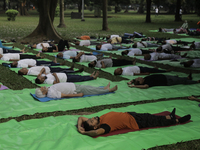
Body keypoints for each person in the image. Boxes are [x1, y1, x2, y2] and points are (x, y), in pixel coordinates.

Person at [77, 108, 191, 137]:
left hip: (131, 114)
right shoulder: (105, 126)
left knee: (150, 116)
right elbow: (96, 133)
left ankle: (168, 116)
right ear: (96, 126)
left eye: (91, 119)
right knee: (155, 121)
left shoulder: (99, 119)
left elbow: (81, 118)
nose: (92, 118)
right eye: (92, 121)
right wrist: (84, 133)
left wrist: (79, 127)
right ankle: (176, 121)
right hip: (136, 122)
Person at [35, 82, 118, 98]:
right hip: (75, 90)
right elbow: (64, 95)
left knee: (89, 87)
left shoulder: (49, 89)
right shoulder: (51, 94)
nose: (42, 87)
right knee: (91, 91)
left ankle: (103, 88)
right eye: (41, 88)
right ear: (43, 92)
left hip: (73, 86)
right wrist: (77, 95)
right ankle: (108, 90)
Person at [127, 73, 199, 89]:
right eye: (139, 79)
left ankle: (187, 78)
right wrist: (135, 86)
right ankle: (196, 82)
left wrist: (131, 81)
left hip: (166, 77)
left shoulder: (145, 79)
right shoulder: (147, 82)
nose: (139, 77)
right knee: (180, 81)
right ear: (140, 82)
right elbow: (145, 86)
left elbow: (134, 80)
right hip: (168, 81)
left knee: (177, 77)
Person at [35, 70, 99, 84]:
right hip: (65, 79)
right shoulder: (47, 81)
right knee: (79, 79)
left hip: (64, 75)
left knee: (78, 76)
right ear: (42, 81)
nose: (42, 78)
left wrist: (41, 73)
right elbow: (57, 82)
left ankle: (89, 76)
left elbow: (43, 72)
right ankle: (93, 77)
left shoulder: (44, 76)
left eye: (40, 77)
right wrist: (55, 75)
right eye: (41, 79)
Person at [18, 65, 84, 76]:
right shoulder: (31, 72)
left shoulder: (29, 70)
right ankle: (75, 71)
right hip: (49, 71)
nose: (23, 68)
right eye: (22, 69)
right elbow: (40, 74)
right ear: (24, 73)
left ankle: (70, 69)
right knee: (63, 72)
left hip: (47, 68)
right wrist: (43, 70)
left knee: (60, 69)